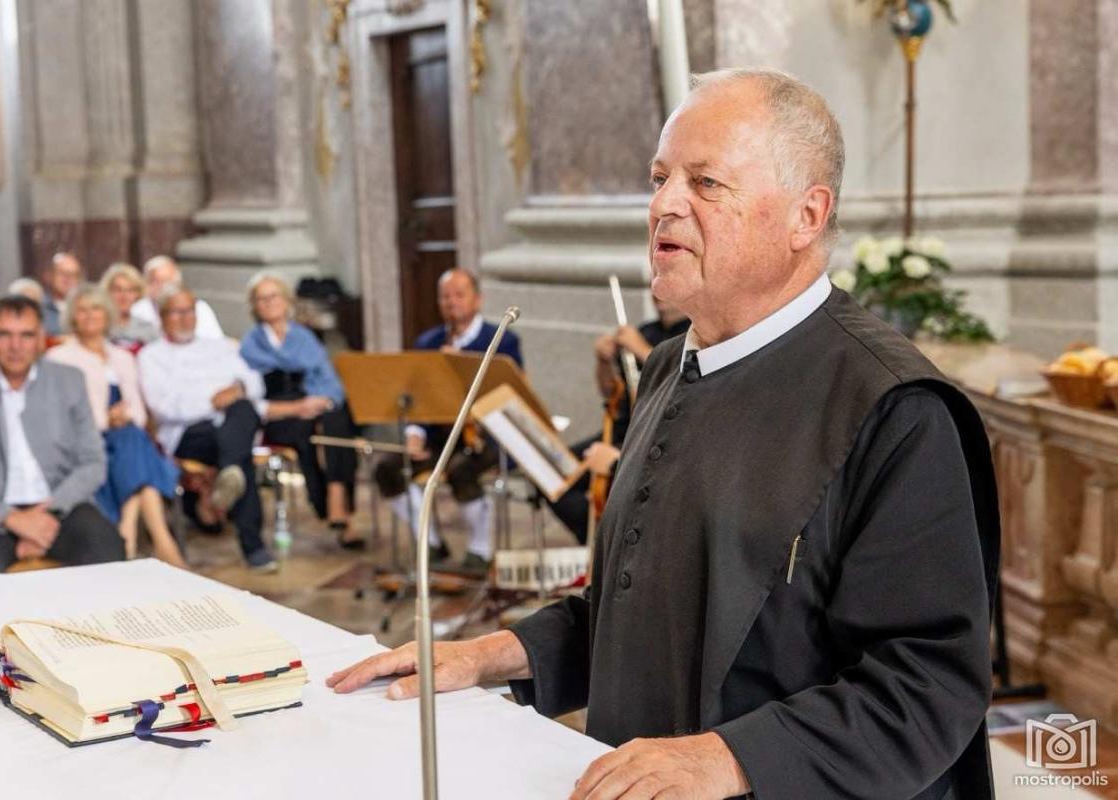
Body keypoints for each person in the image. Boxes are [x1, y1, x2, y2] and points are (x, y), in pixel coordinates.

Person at [328, 69, 999, 800]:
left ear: (806, 216)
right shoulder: (666, 367)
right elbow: (636, 608)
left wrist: (728, 759)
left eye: (705, 182)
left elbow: (926, 684)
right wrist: (490, 655)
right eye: (660, 178)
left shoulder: (896, 409)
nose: (662, 205)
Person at [0, 295, 125, 577]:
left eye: (26, 335)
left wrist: (45, 516)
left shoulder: (68, 381)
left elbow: (93, 462)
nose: (16, 346)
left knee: (105, 548)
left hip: (59, 506)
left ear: (40, 339)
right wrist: (11, 518)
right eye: (5, 335)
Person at [372, 268, 522, 574]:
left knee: (460, 470)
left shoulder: (502, 340)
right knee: (388, 468)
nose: (452, 302)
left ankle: (480, 549)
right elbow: (417, 398)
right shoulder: (428, 342)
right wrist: (415, 434)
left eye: (459, 295)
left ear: (477, 299)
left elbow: (508, 395)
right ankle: (430, 540)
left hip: (485, 434)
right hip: (440, 434)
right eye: (445, 296)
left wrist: (457, 369)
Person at [47, 285, 186, 568]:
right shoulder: (59, 358)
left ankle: (129, 533)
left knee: (132, 436)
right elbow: (59, 414)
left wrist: (125, 416)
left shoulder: (122, 357)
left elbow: (138, 409)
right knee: (134, 444)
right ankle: (161, 542)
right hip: (86, 441)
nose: (90, 316)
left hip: (124, 436)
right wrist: (104, 420)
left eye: (96, 309)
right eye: (83, 310)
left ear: (107, 314)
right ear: (73, 317)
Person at [138, 286, 274, 572]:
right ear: (162, 316)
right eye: (177, 312)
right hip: (188, 433)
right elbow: (165, 407)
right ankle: (254, 547)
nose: (185, 318)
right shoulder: (151, 356)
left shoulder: (220, 346)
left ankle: (229, 474)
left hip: (231, 424)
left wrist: (238, 388)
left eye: (190, 311)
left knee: (244, 410)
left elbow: (255, 383)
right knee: (240, 455)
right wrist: (214, 401)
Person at [548, 294, 689, 543]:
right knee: (554, 471)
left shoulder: (693, 336)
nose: (657, 289)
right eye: (653, 278)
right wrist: (603, 361)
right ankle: (596, 538)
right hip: (622, 428)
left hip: (654, 436)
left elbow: (684, 383)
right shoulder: (645, 330)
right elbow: (608, 391)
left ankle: (607, 538)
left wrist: (642, 350)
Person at [239, 271, 363, 549]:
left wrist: (320, 402)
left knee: (336, 418)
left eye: (274, 296)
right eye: (262, 299)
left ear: (286, 300)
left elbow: (330, 383)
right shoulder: (250, 345)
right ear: (254, 306)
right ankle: (330, 502)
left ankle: (337, 494)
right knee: (311, 431)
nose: (269, 303)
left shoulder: (304, 338)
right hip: (278, 415)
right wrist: (296, 408)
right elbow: (252, 401)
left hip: (311, 405)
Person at [130, 255, 224, 339]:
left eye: (167, 281)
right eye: (156, 281)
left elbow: (215, 341)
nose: (162, 287)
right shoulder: (138, 310)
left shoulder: (200, 308)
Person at [100, 262, 158, 350]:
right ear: (108, 292)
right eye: (118, 290)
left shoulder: (148, 329)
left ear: (138, 294)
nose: (124, 296)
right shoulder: (98, 327)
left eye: (130, 290)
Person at [40, 252, 83, 336]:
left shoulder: (86, 308)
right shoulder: (38, 308)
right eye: (62, 273)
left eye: (73, 274)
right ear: (49, 276)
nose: (68, 278)